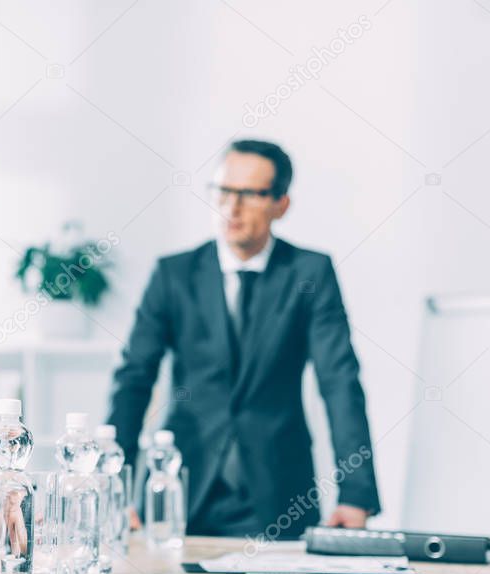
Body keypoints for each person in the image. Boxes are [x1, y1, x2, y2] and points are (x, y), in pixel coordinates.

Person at [107, 139, 380, 540]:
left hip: (279, 493)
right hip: (181, 489)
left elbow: (339, 382)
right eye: (223, 191)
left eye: (249, 194)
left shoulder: (311, 273)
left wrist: (356, 494)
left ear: (280, 204)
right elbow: (134, 378)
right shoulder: (174, 274)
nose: (231, 207)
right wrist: (113, 486)